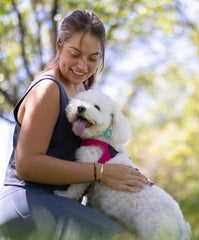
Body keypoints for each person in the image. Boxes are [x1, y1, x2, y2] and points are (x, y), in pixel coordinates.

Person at [0, 9, 150, 240]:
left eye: (93, 58)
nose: (82, 65)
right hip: (28, 202)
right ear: (59, 46)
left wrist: (125, 174)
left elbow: (100, 150)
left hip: (63, 204)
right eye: (75, 54)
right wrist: (100, 172)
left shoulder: (86, 94)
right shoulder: (48, 89)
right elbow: (27, 164)